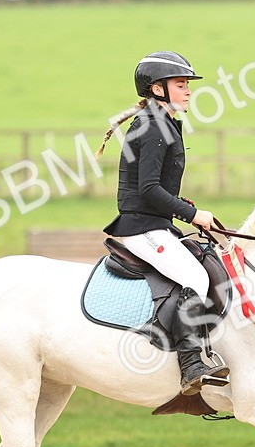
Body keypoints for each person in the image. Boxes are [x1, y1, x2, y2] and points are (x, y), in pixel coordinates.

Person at [97, 51, 229, 395]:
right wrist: (192, 215)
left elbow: (157, 191)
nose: (188, 91)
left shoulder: (162, 121)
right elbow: (149, 189)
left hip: (153, 221)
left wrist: (188, 209)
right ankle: (191, 365)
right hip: (140, 227)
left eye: (188, 85)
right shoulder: (154, 125)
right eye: (181, 85)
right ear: (158, 89)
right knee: (194, 277)